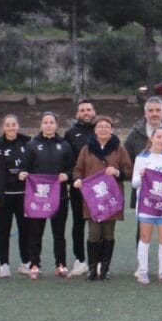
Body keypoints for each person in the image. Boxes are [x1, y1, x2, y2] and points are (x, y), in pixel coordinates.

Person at [72, 116, 132, 281]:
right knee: (93, 233)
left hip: (111, 197)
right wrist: (77, 179)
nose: (103, 129)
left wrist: (117, 172)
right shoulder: (87, 149)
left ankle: (104, 268)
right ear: (95, 130)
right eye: (100, 126)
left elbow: (129, 170)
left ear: (111, 130)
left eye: (107, 126)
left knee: (108, 233)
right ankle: (93, 268)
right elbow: (78, 169)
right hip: (93, 198)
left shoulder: (119, 148)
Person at [19, 113, 77, 279]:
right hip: (38, 197)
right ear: (41, 125)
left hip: (59, 197)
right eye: (46, 122)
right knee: (36, 232)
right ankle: (35, 264)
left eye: (52, 122)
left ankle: (60, 264)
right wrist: (22, 174)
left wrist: (67, 175)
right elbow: (24, 167)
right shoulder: (32, 144)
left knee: (59, 233)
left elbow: (72, 169)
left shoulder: (64, 145)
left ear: (56, 125)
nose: (49, 125)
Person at [0, 115, 31, 278]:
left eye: (13, 124)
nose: (11, 127)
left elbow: (34, 166)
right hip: (4, 196)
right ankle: (4, 264)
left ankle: (26, 263)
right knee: (3, 231)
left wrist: (26, 173)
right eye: (8, 125)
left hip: (23, 195)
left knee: (25, 230)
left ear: (18, 126)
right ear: (3, 127)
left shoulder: (27, 143)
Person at [131, 128, 162, 285]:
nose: (161, 140)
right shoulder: (141, 158)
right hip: (146, 206)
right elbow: (134, 183)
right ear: (152, 138)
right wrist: (141, 176)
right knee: (145, 238)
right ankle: (143, 271)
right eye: (158, 137)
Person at [64, 101, 97, 276]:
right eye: (82, 110)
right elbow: (67, 161)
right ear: (77, 114)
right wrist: (72, 179)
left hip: (98, 188)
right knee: (78, 224)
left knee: (98, 224)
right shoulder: (70, 134)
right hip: (79, 186)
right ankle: (80, 260)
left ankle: (97, 261)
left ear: (94, 112)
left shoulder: (101, 130)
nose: (86, 113)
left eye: (88, 110)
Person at [125, 96, 162, 160]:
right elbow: (127, 159)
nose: (154, 114)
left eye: (158, 110)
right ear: (145, 113)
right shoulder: (135, 133)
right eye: (151, 110)